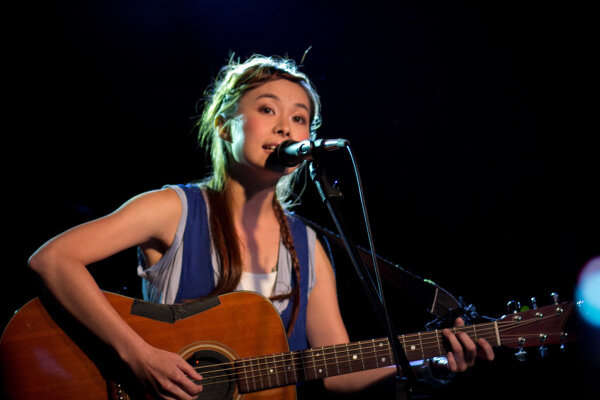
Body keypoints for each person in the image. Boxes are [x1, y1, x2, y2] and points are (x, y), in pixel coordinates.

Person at [28, 54, 494, 399]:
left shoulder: (308, 246)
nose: (286, 128)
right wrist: (138, 354)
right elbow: (53, 259)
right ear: (224, 125)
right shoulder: (173, 209)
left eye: (300, 118)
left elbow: (339, 371)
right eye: (268, 109)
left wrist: (429, 362)